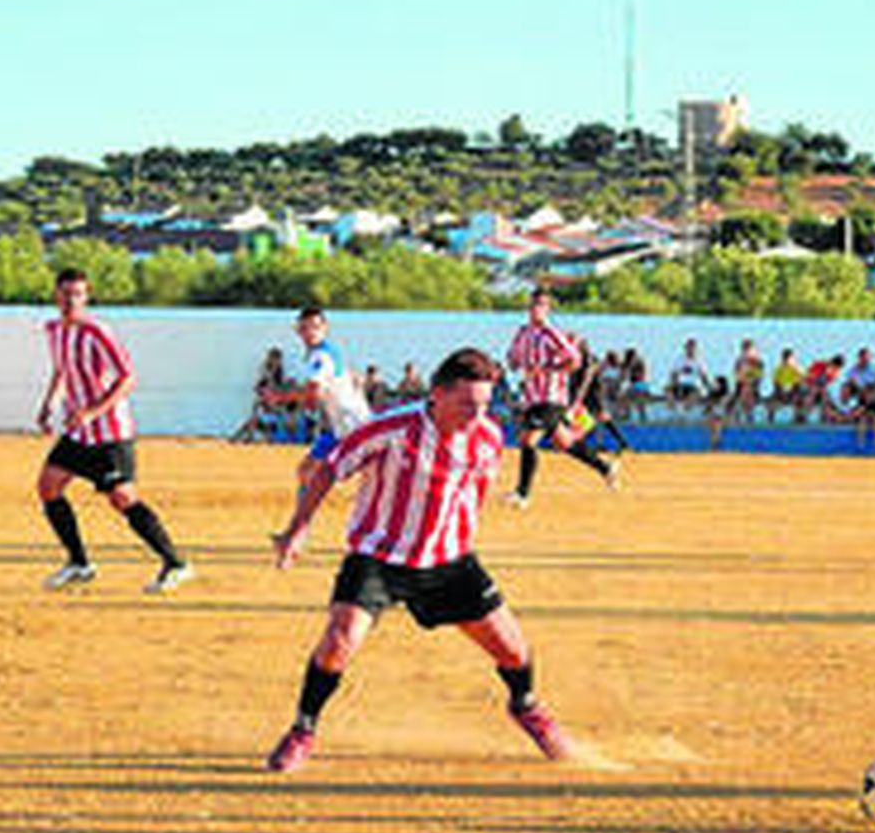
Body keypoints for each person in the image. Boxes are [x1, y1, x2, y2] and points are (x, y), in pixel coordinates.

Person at [264, 347, 575, 773]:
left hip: (449, 561)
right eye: (467, 403)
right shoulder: (390, 429)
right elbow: (330, 469)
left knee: (514, 651)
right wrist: (298, 527)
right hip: (379, 556)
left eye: (484, 403)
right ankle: (303, 729)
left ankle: (526, 707)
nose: (477, 413)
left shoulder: (486, 436)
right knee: (340, 640)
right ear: (437, 394)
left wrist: (458, 541)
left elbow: (476, 490)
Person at [35, 268, 192, 594]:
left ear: (86, 297)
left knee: (122, 499)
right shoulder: (53, 330)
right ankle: (79, 562)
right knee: (48, 486)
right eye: (65, 293)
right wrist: (49, 402)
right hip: (79, 433)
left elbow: (128, 378)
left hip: (110, 433)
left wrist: (91, 412)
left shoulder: (98, 332)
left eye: (77, 294)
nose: (70, 300)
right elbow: (61, 369)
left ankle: (175, 563)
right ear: (55, 295)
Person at [263, 307, 374, 541]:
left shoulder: (321, 356)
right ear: (298, 331)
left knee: (375, 481)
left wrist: (279, 397)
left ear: (325, 328)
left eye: (315, 327)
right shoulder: (327, 354)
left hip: (354, 429)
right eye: (305, 328)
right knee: (306, 472)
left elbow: (314, 393)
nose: (310, 332)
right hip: (343, 428)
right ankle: (297, 532)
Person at [504, 289, 616, 508]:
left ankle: (522, 494)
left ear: (548, 309)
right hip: (532, 397)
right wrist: (515, 364)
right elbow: (512, 358)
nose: (537, 309)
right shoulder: (522, 333)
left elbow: (574, 360)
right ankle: (605, 468)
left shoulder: (552, 333)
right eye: (534, 304)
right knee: (564, 442)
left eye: (542, 305)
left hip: (551, 397)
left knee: (527, 440)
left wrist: (547, 368)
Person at [665, 338, 711, 412]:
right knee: (667, 390)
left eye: (692, 348)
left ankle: (686, 410)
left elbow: (704, 377)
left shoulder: (699, 361)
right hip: (681, 385)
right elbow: (674, 374)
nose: (690, 350)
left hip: (693, 386)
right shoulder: (679, 359)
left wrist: (708, 389)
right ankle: (673, 410)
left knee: (693, 396)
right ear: (685, 348)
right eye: (688, 348)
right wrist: (672, 385)